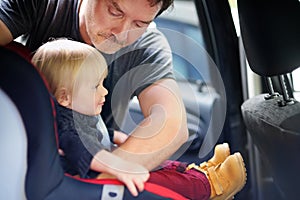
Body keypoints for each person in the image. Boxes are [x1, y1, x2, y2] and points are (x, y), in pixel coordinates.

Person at [31, 38, 247, 200]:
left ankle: (200, 172)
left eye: (103, 83)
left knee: (163, 164)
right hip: (92, 183)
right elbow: (88, 154)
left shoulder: (74, 114)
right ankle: (213, 185)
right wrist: (123, 166)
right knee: (158, 179)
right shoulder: (69, 129)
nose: (104, 92)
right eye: (95, 86)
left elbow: (97, 130)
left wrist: (117, 137)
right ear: (64, 97)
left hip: (102, 165)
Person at [0, 0, 189, 172]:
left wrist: (103, 178)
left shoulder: (148, 46)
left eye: (139, 24)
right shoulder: (47, 5)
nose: (122, 34)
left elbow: (172, 122)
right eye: (115, 12)